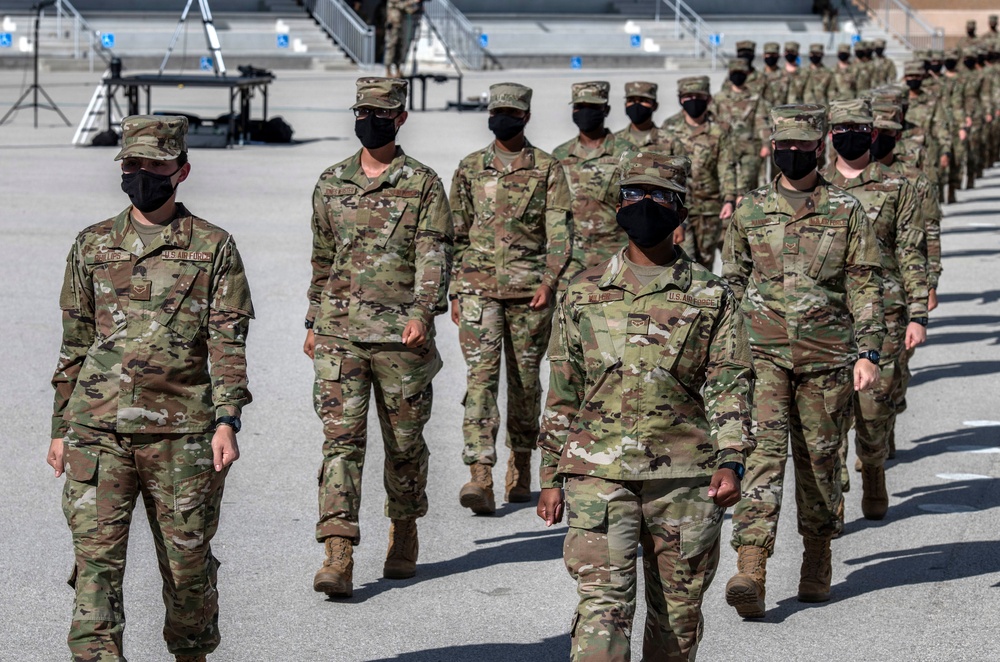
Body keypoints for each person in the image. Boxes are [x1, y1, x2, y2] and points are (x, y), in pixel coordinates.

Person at [49, 115, 254, 662]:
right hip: (97, 431)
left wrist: (227, 420)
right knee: (95, 567)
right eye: (132, 164)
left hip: (182, 436)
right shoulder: (92, 244)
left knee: (187, 568)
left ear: (181, 170)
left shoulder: (214, 247)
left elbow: (227, 344)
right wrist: (59, 428)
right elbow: (75, 344)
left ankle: (191, 653)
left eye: (155, 165)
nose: (142, 174)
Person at [537, 149, 754, 662]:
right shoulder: (584, 292)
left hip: (684, 476)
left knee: (676, 619)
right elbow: (563, 387)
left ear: (680, 210)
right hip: (598, 472)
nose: (644, 204)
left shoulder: (710, 295)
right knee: (601, 612)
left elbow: (728, 381)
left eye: (659, 196)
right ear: (618, 205)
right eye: (634, 194)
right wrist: (549, 473)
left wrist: (731, 459)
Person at [722, 104, 886, 618]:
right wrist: (722, 353)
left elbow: (864, 282)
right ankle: (751, 566)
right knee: (761, 459)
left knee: (820, 464)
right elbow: (731, 284)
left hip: (827, 357)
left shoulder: (844, 209)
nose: (792, 155)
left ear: (820, 149)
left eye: (802, 147)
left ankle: (817, 557)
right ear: (773, 149)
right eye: (783, 147)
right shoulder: (750, 209)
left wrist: (869, 351)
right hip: (762, 354)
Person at [305, 77, 453, 598]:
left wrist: (423, 313)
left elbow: (434, 255)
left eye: (380, 112)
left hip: (399, 338)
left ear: (400, 118)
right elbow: (323, 258)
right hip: (339, 334)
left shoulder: (424, 184)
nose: (369, 119)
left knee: (404, 445)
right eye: (362, 111)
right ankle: (338, 551)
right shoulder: (330, 181)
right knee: (339, 445)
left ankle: (404, 528)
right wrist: (311, 320)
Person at [450, 82, 572, 515]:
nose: (501, 117)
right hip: (479, 291)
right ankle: (480, 472)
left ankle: (521, 463)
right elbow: (456, 235)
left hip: (528, 295)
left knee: (523, 383)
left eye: (509, 111)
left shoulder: (547, 168)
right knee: (480, 382)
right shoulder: (469, 168)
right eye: (495, 110)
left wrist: (550, 282)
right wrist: (454, 290)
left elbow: (560, 233)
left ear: (525, 116)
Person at [822, 99, 928, 516]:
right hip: (826, 316)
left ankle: (872, 464)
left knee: (873, 407)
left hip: (883, 311)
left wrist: (918, 313)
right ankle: (834, 491)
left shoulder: (896, 187)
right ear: (830, 135)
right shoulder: (815, 187)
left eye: (857, 128)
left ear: (871, 133)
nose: (849, 135)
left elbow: (911, 251)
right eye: (841, 128)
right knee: (829, 414)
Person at [869, 100, 942, 460]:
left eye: (885, 133)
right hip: (849, 301)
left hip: (896, 294)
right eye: (874, 131)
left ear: (896, 136)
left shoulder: (912, 179)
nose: (878, 138)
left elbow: (927, 234)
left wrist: (929, 284)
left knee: (893, 374)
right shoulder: (836, 180)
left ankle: (884, 429)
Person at [660, 75, 737, 271]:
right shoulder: (669, 128)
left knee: (704, 262)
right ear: (680, 99)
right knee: (683, 261)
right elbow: (662, 169)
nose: (693, 101)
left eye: (699, 96)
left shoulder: (719, 130)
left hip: (709, 208)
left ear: (708, 99)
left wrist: (729, 198)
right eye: (688, 96)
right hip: (678, 206)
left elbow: (726, 166)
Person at [553, 80, 626, 283]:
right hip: (570, 261)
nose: (585, 112)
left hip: (615, 258)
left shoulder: (626, 154)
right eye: (579, 107)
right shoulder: (559, 155)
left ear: (606, 109)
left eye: (592, 107)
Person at [711, 58, 772, 195]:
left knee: (747, 181)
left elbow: (761, 121)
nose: (738, 76)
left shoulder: (755, 98)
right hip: (725, 146)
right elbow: (712, 121)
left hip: (749, 147)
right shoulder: (719, 98)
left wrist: (765, 145)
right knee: (726, 180)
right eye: (734, 72)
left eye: (741, 72)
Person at [613, 81, 671, 151]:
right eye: (631, 100)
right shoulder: (614, 141)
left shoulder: (670, 141)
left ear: (655, 106)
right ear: (625, 105)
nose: (636, 106)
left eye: (643, 100)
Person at [384, 0, 424, 78]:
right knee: (391, 47)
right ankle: (388, 71)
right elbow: (401, 5)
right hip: (392, 26)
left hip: (399, 26)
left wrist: (418, 8)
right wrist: (413, 1)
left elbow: (408, 10)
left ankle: (398, 70)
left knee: (399, 48)